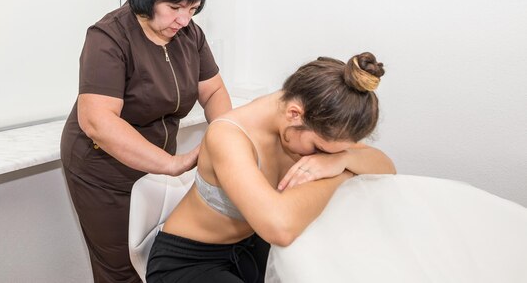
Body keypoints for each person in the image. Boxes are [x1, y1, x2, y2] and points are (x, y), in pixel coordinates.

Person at [60, 0, 232, 283]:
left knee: (156, 258)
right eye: (174, 7)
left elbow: (211, 89)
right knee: (122, 269)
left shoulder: (188, 34)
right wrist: (171, 164)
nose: (184, 19)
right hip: (104, 171)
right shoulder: (109, 37)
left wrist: (228, 134)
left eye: (193, 9)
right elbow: (98, 121)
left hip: (154, 166)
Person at [146, 52, 397, 283]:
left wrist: (341, 160)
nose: (321, 157)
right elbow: (280, 228)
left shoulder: (314, 117)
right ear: (295, 114)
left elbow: (386, 167)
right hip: (189, 262)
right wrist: (341, 174)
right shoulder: (228, 135)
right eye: (319, 149)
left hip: (252, 248)